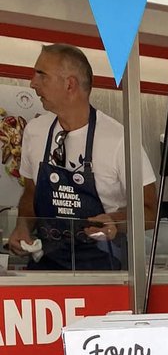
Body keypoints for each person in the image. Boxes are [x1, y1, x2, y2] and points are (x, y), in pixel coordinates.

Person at [8, 43, 157, 271]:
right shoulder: (35, 131)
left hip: (105, 270)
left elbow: (150, 212)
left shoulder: (120, 140)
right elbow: (31, 192)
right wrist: (23, 226)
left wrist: (116, 220)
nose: (32, 83)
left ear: (70, 84)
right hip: (48, 266)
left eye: (42, 75)